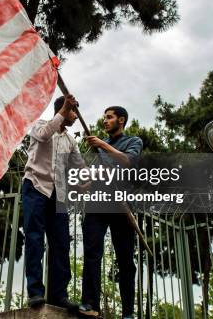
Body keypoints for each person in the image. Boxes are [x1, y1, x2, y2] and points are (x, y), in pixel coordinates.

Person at [22, 94, 86, 312]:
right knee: (34, 238)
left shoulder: (70, 141)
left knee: (61, 244)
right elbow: (43, 135)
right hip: (35, 187)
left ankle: (59, 296)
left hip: (58, 194)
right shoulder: (40, 125)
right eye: (74, 111)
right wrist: (63, 109)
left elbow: (80, 169)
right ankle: (35, 292)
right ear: (64, 109)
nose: (76, 117)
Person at [79, 106, 143, 319]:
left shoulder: (133, 142)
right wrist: (84, 184)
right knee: (92, 252)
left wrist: (103, 145)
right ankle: (90, 304)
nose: (105, 121)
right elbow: (98, 176)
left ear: (121, 120)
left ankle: (127, 313)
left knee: (125, 260)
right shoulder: (98, 152)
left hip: (122, 205)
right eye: (104, 117)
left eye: (109, 117)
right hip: (97, 203)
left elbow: (128, 162)